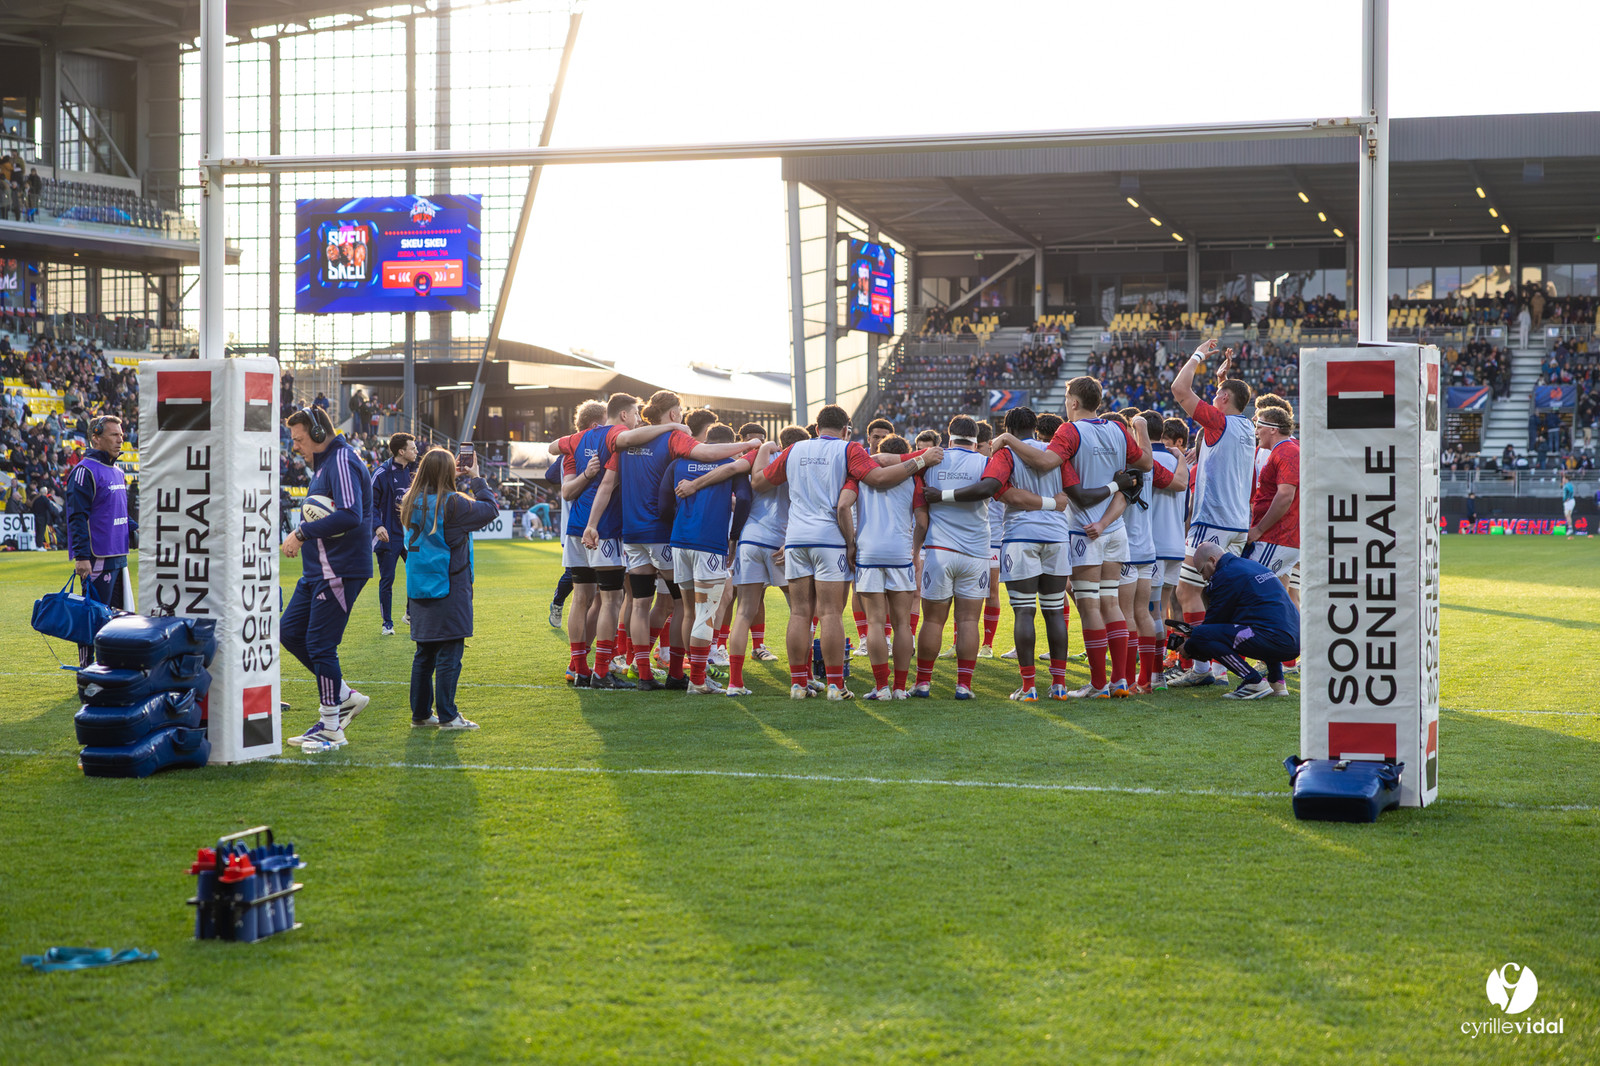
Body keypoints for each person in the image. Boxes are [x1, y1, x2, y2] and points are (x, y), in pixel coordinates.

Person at [753, 403, 937, 700]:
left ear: (815, 427)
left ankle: (799, 684)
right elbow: (876, 477)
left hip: (797, 538)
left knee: (799, 613)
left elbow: (759, 482)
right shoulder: (848, 449)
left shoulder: (794, 450)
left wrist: (762, 450)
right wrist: (920, 460)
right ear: (845, 429)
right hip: (830, 539)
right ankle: (836, 686)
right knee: (830, 614)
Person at [281, 406, 374, 751]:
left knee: (321, 645)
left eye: (301, 439)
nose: (296, 446)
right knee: (289, 632)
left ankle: (331, 727)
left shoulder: (342, 461)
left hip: (339, 569)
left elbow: (351, 514)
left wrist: (302, 532)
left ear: (319, 434)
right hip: (318, 571)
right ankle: (345, 696)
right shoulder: (326, 464)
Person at [1168, 338, 1255, 689]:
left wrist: (1199, 354)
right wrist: (1223, 378)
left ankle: (1204, 667)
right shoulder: (1247, 426)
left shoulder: (1217, 422)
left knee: (1186, 593)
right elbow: (1230, 398)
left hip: (1213, 521)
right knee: (1216, 596)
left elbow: (1179, 388)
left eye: (1218, 393)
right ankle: (1219, 667)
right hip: (1236, 523)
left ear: (1222, 401)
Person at [400, 447, 500, 729]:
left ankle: (421, 714)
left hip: (419, 584)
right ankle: (448, 715)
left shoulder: (411, 499)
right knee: (450, 651)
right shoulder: (453, 503)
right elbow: (490, 509)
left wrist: (446, 477)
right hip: (449, 584)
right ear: (447, 472)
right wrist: (477, 478)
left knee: (425, 653)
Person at [1174, 543, 1299, 699]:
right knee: (1262, 626)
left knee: (1203, 635)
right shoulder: (1251, 565)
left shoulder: (1225, 575)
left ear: (1213, 560)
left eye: (1202, 571)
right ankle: (1277, 682)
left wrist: (1189, 647)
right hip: (1294, 639)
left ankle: (1253, 682)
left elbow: (1211, 626)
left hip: (1274, 638)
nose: (1204, 577)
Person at [65, 414, 131, 665]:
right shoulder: (84, 471)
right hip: (97, 556)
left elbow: (121, 514)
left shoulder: (117, 470)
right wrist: (81, 557)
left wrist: (139, 530)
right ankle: (87, 666)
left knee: (116, 617)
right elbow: (77, 517)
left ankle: (109, 665)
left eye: (121, 435)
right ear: (96, 437)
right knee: (92, 615)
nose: (120, 439)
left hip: (118, 554)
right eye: (114, 435)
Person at [371, 432, 418, 636]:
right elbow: (368, 504)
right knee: (387, 580)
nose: (417, 451)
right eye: (412, 448)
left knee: (417, 574)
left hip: (411, 535)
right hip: (388, 535)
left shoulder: (415, 472)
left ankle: (409, 615)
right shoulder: (382, 473)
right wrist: (377, 526)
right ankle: (387, 623)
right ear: (401, 451)